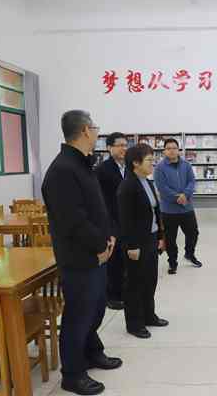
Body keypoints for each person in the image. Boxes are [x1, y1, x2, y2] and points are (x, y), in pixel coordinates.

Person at [42, 110, 122, 395]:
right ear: (86, 130)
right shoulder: (62, 170)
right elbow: (73, 220)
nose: (97, 132)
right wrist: (100, 247)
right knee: (78, 315)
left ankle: (92, 352)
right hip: (80, 258)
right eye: (95, 127)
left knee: (96, 308)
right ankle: (73, 374)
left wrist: (110, 236)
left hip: (97, 254)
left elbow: (98, 207)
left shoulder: (82, 163)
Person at [118, 144, 169, 339]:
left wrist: (160, 237)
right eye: (149, 160)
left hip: (151, 238)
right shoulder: (127, 186)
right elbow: (125, 220)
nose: (152, 163)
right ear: (135, 163)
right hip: (137, 242)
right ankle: (134, 323)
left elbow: (155, 211)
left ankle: (149, 315)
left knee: (150, 280)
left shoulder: (146, 182)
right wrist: (131, 246)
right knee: (135, 284)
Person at [153, 138, 203, 274]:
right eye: (168, 148)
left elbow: (192, 182)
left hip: (187, 208)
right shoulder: (159, 168)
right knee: (170, 239)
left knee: (193, 233)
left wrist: (185, 195)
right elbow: (162, 187)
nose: (172, 151)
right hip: (169, 210)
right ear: (164, 151)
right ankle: (172, 262)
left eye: (174, 148)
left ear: (178, 150)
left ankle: (189, 254)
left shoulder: (186, 165)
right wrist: (178, 197)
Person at [96, 132, 128, 310]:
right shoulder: (102, 170)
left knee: (124, 260)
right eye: (120, 145)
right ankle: (112, 296)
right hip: (112, 222)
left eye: (125, 145)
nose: (124, 148)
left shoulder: (129, 167)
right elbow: (101, 201)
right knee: (114, 261)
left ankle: (123, 292)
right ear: (109, 148)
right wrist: (109, 227)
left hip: (127, 221)